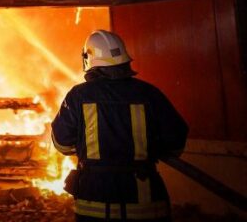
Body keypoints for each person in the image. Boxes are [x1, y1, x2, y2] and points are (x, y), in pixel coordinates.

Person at [52, 29, 188, 221]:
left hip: (94, 201)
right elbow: (175, 142)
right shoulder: (150, 93)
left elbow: (62, 144)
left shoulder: (78, 96)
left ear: (88, 59)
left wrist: (87, 149)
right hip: (145, 199)